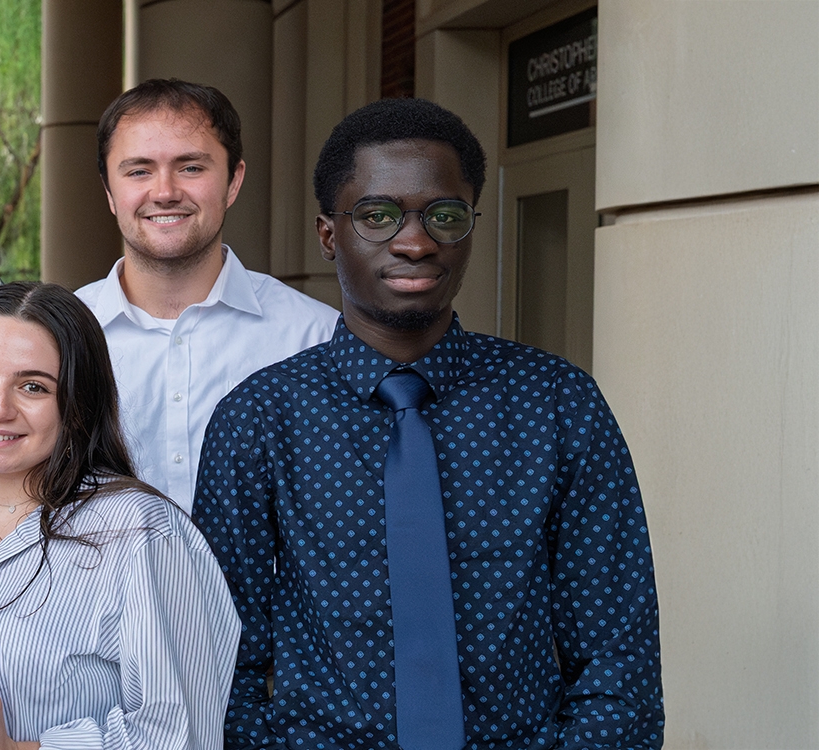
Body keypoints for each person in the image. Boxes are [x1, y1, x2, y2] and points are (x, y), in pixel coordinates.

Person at [193, 98, 662, 750]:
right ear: (328, 235)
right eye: (377, 216)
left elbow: (619, 660)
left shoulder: (558, 404)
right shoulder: (258, 419)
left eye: (443, 216)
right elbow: (219, 662)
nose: (414, 243)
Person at [0, 282, 239, 749]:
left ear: (78, 403)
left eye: (33, 387)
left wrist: (18, 749)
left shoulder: (142, 534)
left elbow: (180, 736)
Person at [75, 78, 335, 513]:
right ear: (109, 192)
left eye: (191, 168)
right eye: (138, 171)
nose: (164, 192)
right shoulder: (57, 338)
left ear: (233, 182)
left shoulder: (316, 338)